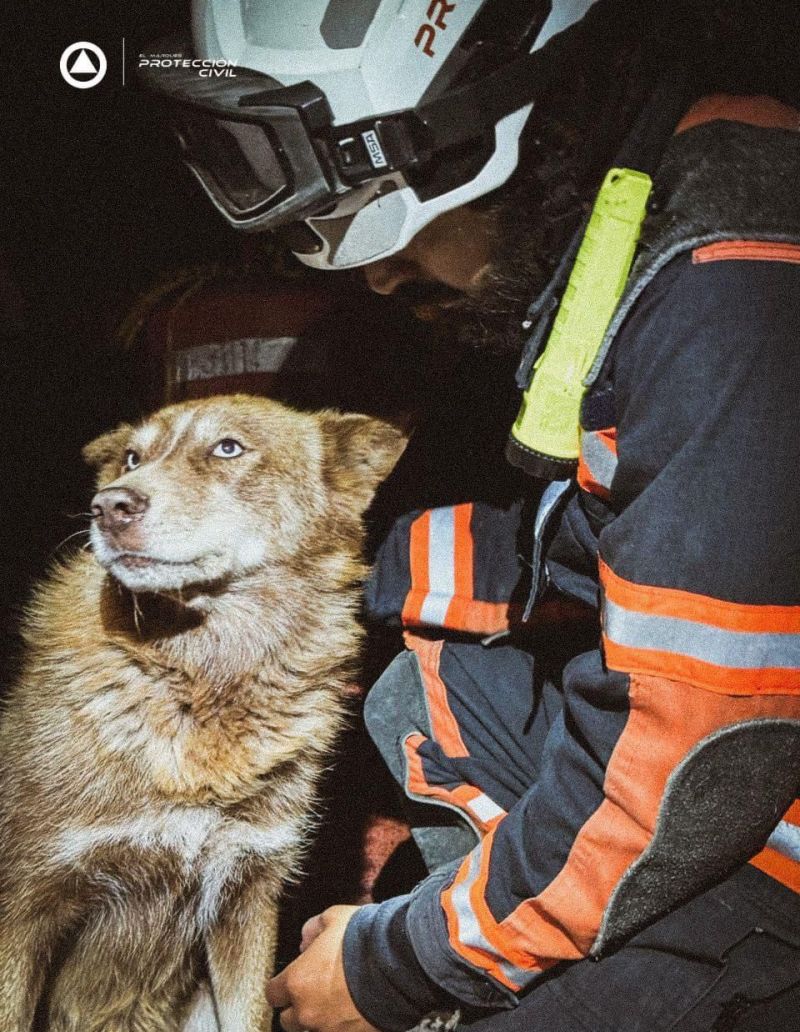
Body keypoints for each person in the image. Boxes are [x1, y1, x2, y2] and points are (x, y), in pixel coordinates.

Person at [143, 2, 800, 1028]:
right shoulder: (665, 192)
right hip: (723, 771)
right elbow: (579, 545)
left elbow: (700, 748)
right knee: (425, 689)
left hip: (763, 843)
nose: (373, 270)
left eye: (368, 200)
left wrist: (395, 962)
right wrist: (314, 571)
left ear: (472, 128)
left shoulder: (728, 287)